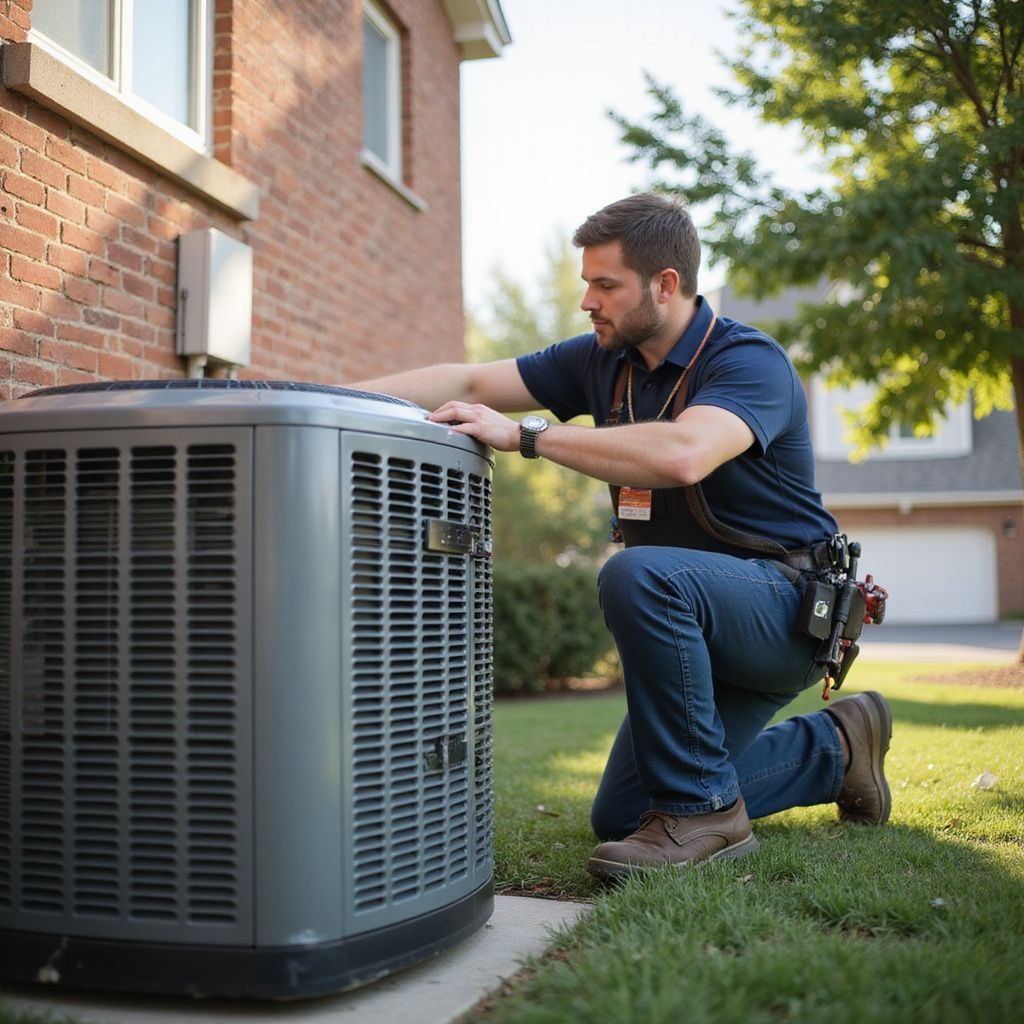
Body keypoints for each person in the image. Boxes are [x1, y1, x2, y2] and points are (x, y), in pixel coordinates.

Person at [354, 192, 892, 881]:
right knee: (625, 814)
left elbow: (683, 454)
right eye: (587, 283)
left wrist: (530, 436)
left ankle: (705, 819)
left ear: (665, 285)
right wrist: (325, 393)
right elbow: (468, 378)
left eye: (605, 284)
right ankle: (840, 746)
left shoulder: (749, 362)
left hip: (781, 610)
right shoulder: (602, 360)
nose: (588, 301)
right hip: (693, 618)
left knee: (637, 574)